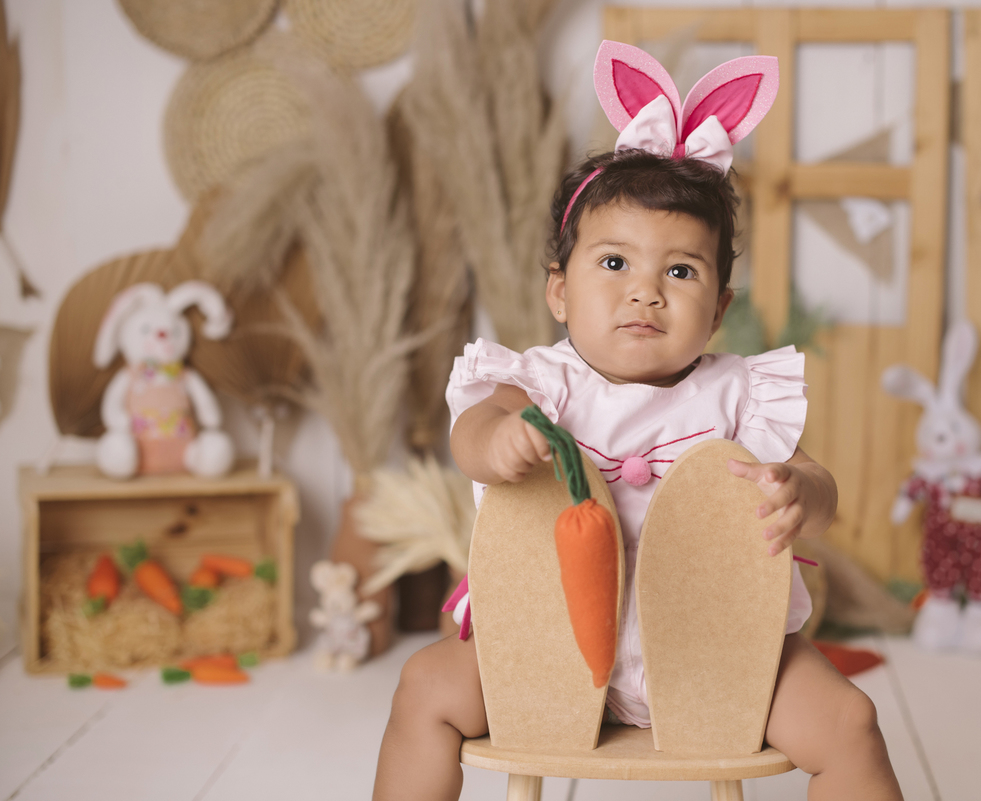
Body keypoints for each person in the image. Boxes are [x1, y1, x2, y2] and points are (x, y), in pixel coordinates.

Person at [373, 42, 903, 801]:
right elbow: (473, 434)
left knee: (850, 720)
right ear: (559, 290)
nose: (645, 292)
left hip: (720, 652)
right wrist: (500, 439)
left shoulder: (739, 395)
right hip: (543, 649)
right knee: (425, 687)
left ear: (719, 306)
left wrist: (800, 491)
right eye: (614, 264)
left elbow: (817, 481)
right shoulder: (538, 383)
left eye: (680, 270)